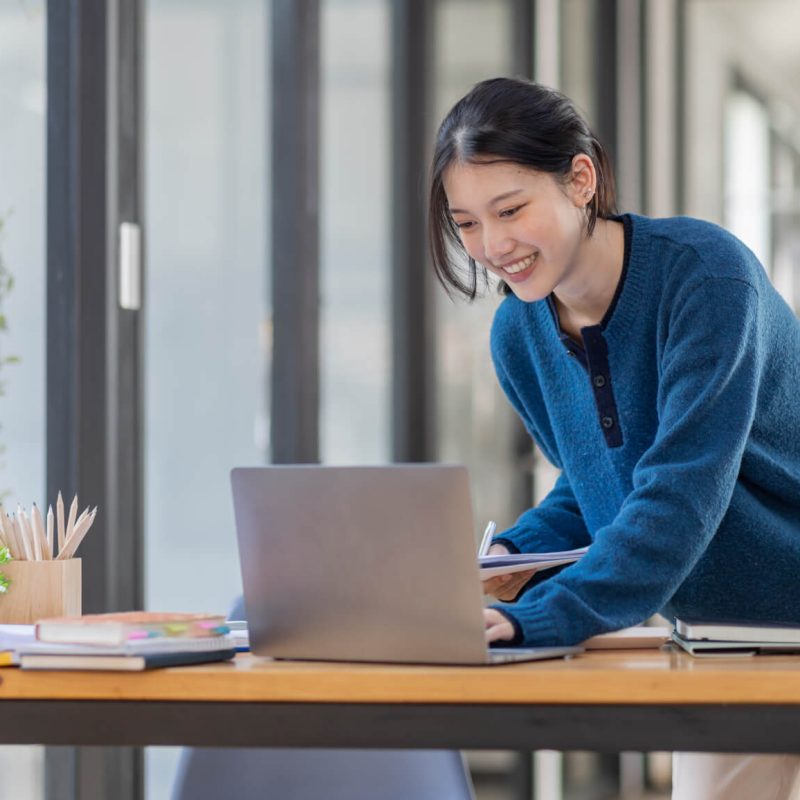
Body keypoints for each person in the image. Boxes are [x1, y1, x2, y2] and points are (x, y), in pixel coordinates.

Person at [428, 76, 800, 800]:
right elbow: (597, 483)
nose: (492, 245)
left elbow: (678, 497)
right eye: (466, 222)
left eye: (511, 209)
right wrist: (516, 558)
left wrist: (539, 620)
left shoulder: (706, 278)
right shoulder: (518, 334)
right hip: (727, 639)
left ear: (580, 179)